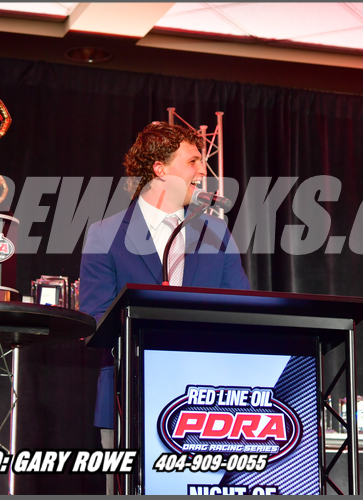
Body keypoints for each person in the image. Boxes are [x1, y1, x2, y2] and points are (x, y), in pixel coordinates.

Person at [79, 121, 250, 494]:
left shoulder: (216, 233)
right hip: (128, 399)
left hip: (208, 403)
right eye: (192, 162)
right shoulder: (105, 234)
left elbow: (243, 310)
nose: (201, 172)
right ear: (159, 169)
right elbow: (94, 320)